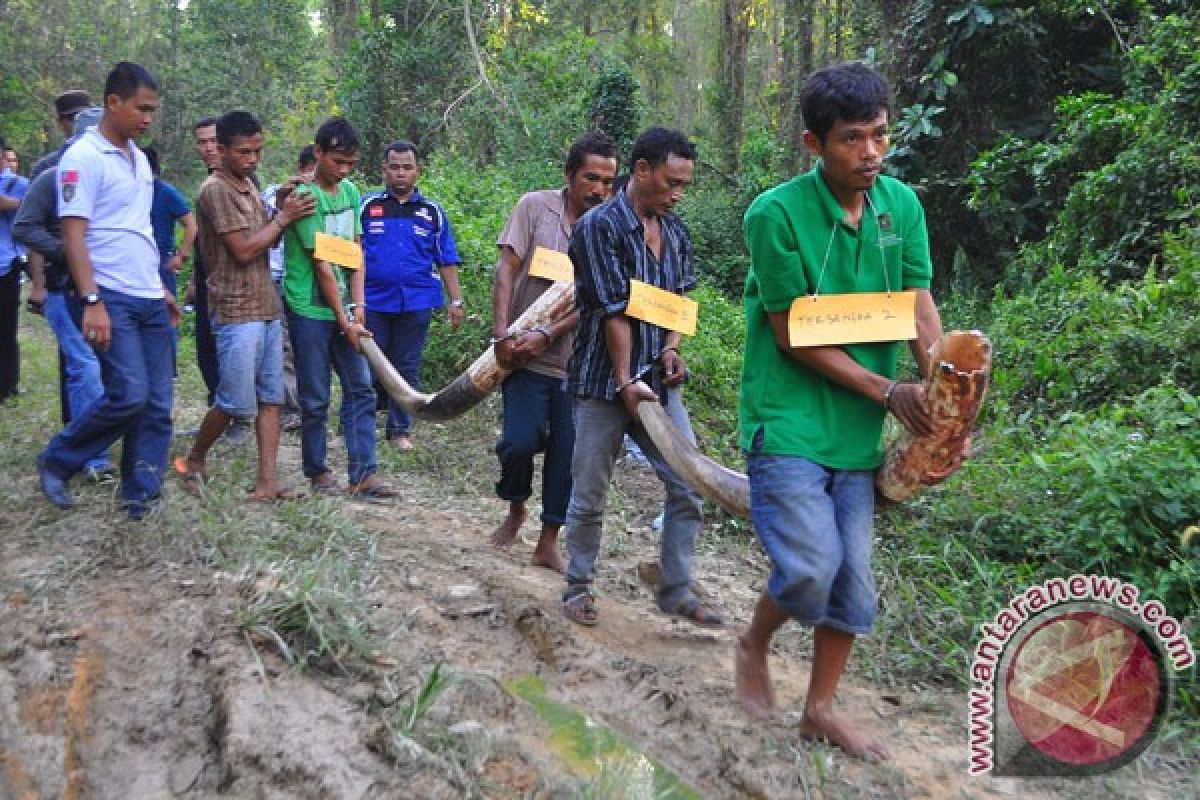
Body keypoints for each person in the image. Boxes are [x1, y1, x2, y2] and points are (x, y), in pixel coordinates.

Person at [734, 63, 961, 761]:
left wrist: (947, 401)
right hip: (789, 420)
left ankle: (819, 710)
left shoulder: (902, 207)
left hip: (857, 435)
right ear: (814, 143)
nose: (871, 153)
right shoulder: (774, 215)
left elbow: (920, 307)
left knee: (854, 588)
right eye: (851, 139)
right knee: (810, 570)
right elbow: (791, 332)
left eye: (880, 135)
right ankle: (754, 641)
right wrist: (890, 392)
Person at [560, 127, 722, 628]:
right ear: (642, 169)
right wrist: (627, 380)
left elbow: (678, 303)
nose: (676, 195)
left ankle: (675, 588)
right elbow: (614, 311)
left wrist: (671, 350)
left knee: (689, 484)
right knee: (590, 492)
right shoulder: (598, 227)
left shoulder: (675, 233)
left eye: (684, 187)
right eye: (670, 183)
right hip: (602, 383)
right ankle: (579, 584)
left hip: (658, 386)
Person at [36, 62, 178, 519]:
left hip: (148, 295)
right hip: (109, 294)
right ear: (113, 102)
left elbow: (136, 229)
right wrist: (91, 299)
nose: (148, 118)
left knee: (157, 404)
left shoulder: (137, 158)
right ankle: (59, 459)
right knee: (129, 394)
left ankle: (140, 495)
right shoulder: (84, 158)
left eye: (153, 110)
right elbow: (73, 234)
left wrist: (160, 286)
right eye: (142, 108)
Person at [488, 132, 618, 573]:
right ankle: (515, 507)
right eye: (591, 178)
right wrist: (501, 334)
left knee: (568, 456)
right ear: (569, 175)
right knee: (517, 443)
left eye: (607, 181)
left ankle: (548, 541)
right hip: (523, 355)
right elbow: (506, 270)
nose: (599, 189)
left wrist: (552, 331)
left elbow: (597, 298)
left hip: (578, 364)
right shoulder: (533, 207)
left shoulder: (612, 227)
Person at [176, 111, 316, 501]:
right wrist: (285, 218)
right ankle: (196, 457)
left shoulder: (248, 186)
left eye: (257, 151)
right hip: (236, 309)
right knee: (235, 401)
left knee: (271, 399)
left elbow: (265, 240)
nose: (253, 159)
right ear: (220, 150)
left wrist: (281, 208)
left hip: (266, 305)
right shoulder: (214, 190)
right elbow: (242, 250)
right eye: (244, 152)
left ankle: (267, 483)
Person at [283, 117, 396, 498]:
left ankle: (364, 473)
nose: (344, 170)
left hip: (345, 310)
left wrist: (358, 306)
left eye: (350, 164)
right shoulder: (302, 199)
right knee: (315, 397)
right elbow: (323, 267)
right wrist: (345, 319)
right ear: (318, 153)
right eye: (337, 162)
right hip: (310, 309)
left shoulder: (350, 193)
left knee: (361, 388)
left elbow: (354, 252)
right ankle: (317, 472)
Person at [15, 106, 115, 480]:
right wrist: (63, 254)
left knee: (104, 369)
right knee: (85, 368)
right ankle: (92, 459)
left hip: (112, 287)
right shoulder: (54, 175)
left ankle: (86, 442)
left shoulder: (122, 170)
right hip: (65, 288)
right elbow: (25, 228)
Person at [359, 140, 464, 450]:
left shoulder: (432, 212)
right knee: (369, 366)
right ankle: (360, 424)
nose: (400, 173)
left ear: (418, 172)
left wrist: (455, 301)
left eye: (407, 167)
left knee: (407, 365)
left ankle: (399, 430)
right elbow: (351, 254)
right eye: (394, 167)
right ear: (384, 170)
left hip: (417, 300)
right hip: (373, 300)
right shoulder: (366, 207)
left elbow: (446, 258)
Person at [261, 144, 317, 428]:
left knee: (305, 345)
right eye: (310, 173)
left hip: (308, 281)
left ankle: (309, 404)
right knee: (282, 346)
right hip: (275, 277)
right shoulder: (273, 194)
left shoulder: (333, 197)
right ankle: (290, 408)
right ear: (300, 170)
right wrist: (285, 204)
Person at [144, 145, 197, 371]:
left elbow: (191, 225)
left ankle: (168, 367)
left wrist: (181, 256)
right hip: (137, 261)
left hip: (162, 263)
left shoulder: (165, 192)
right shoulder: (130, 191)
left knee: (168, 316)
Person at [187, 117, 223, 407]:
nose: (208, 148)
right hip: (204, 275)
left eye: (213, 141)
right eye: (202, 142)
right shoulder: (208, 182)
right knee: (205, 346)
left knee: (220, 345)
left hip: (225, 281)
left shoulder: (234, 179)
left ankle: (230, 411)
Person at [0, 134, 30, 403]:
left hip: (6, 264)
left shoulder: (19, 184)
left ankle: (7, 384)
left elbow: (32, 213)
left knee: (6, 328)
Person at [30, 90, 92, 180]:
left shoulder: (111, 157)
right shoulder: (46, 166)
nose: (80, 121)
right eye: (74, 117)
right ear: (60, 124)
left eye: (85, 116)